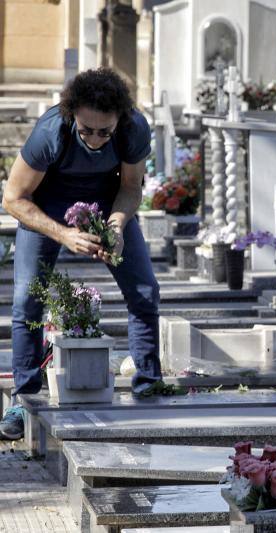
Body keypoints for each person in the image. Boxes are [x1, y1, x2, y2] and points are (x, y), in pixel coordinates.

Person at [0, 68, 161, 440]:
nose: (95, 139)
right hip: (45, 205)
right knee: (27, 301)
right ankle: (24, 399)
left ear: (119, 120)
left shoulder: (134, 128)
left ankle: (149, 385)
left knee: (145, 290)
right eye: (86, 130)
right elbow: (13, 199)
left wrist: (116, 225)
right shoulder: (50, 132)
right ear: (72, 115)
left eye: (105, 132)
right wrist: (63, 234)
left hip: (107, 201)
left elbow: (131, 187)